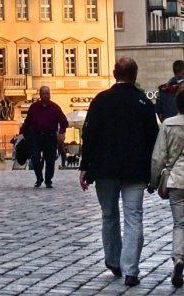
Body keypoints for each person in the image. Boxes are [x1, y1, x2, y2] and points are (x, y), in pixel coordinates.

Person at [80, 57, 159, 288]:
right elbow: (153, 141)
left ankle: (114, 261)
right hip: (135, 171)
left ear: (115, 74)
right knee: (134, 217)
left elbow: (89, 135)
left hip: (105, 169)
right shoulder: (143, 103)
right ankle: (131, 270)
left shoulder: (101, 100)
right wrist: (153, 173)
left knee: (108, 215)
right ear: (134, 75)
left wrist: (85, 166)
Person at [151, 85, 184, 287]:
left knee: (180, 223)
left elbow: (158, 156)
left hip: (176, 180)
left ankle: (179, 257)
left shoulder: (168, 124)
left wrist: (154, 181)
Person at [21, 85, 68, 189]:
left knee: (50, 160)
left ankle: (48, 180)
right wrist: (21, 133)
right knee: (35, 157)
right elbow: (27, 121)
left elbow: (64, 121)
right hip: (36, 136)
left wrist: (62, 132)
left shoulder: (55, 107)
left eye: (48, 93)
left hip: (50, 137)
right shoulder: (34, 107)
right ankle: (39, 178)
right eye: (44, 93)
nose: (46, 95)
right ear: (40, 95)